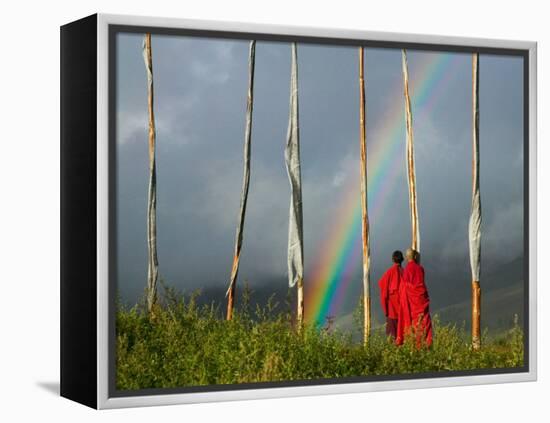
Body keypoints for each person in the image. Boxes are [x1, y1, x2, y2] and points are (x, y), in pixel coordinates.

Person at [396, 248, 433, 347]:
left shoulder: (406, 271)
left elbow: (403, 290)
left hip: (411, 306)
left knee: (413, 325)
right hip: (421, 303)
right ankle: (426, 345)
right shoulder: (420, 269)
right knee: (424, 323)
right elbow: (420, 286)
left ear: (407, 258)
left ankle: (413, 346)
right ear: (415, 257)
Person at [377, 250, 404, 340]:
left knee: (392, 339)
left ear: (393, 260)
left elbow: (384, 292)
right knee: (403, 337)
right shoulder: (405, 273)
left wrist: (386, 310)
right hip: (403, 311)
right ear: (402, 259)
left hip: (392, 311)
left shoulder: (389, 273)